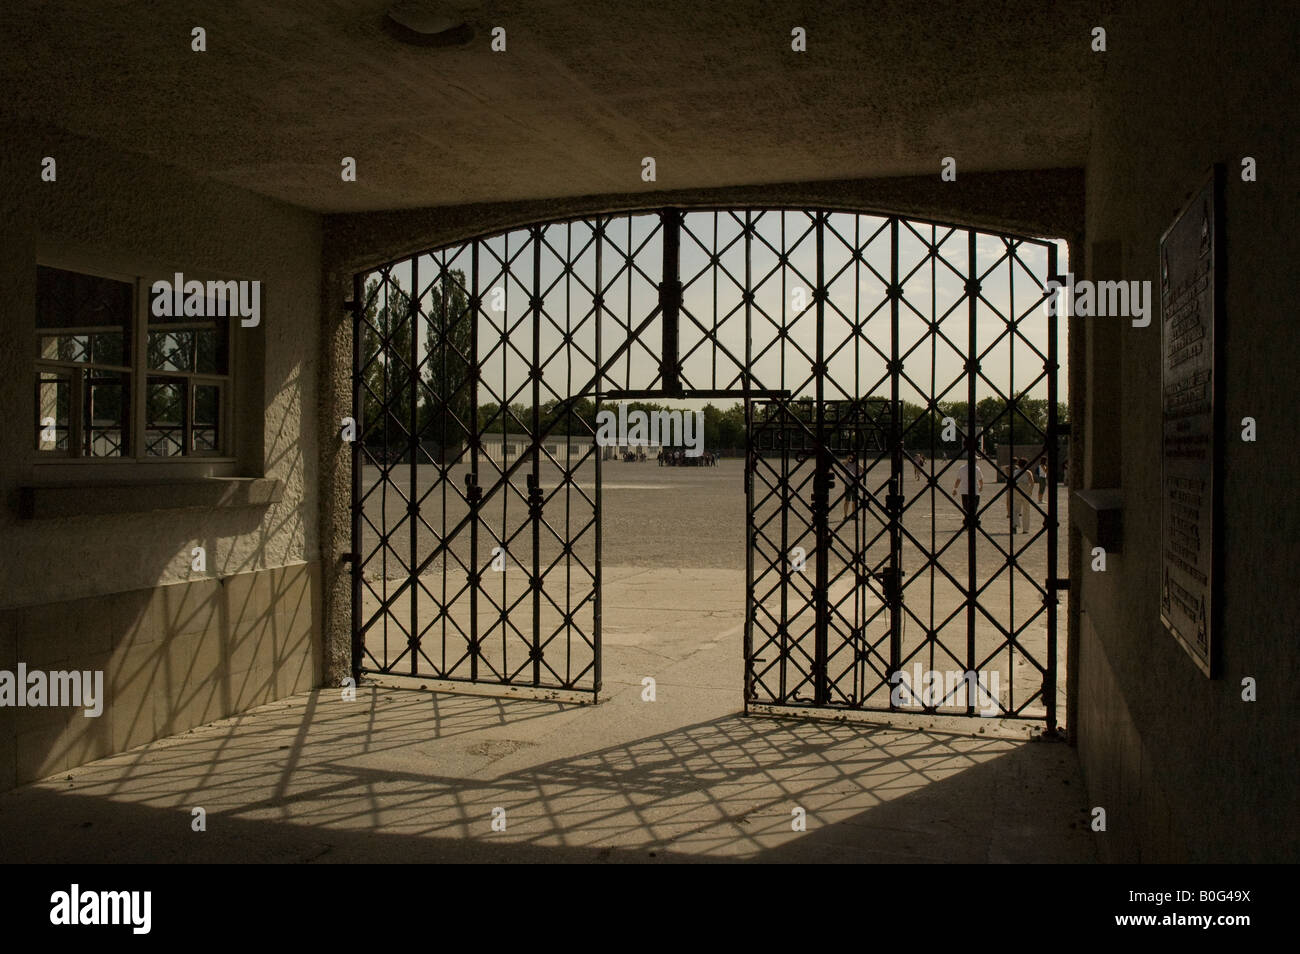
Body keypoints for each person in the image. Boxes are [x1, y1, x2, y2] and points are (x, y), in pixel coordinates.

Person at [952, 442, 983, 528]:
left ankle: (967, 523)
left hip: (964, 491)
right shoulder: (977, 468)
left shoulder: (962, 468)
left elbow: (958, 480)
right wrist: (981, 487)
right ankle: (974, 522)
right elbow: (980, 480)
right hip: (975, 491)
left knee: (966, 509)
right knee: (974, 508)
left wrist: (955, 488)